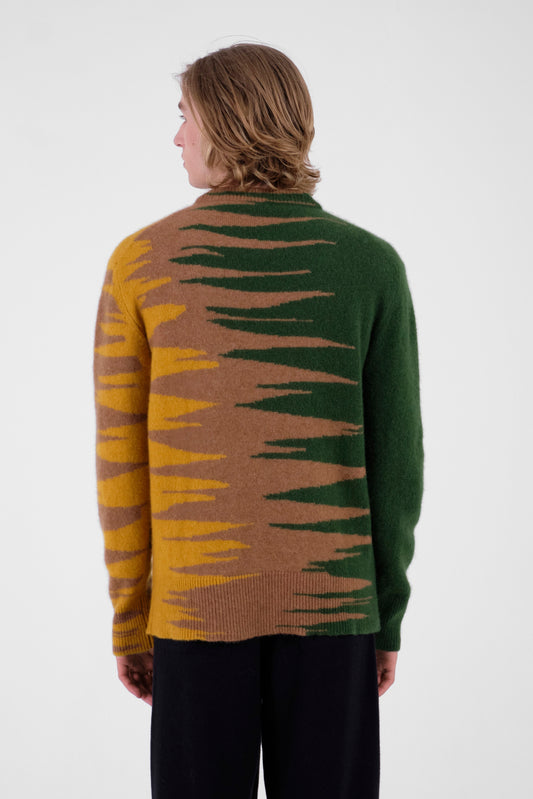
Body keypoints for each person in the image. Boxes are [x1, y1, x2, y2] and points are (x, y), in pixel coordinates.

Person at [93, 42, 424, 799]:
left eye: (185, 116)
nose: (176, 137)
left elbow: (121, 465)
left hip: (193, 610)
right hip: (335, 612)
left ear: (224, 122)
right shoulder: (370, 264)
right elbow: (397, 464)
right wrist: (384, 615)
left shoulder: (142, 263)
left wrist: (131, 619)